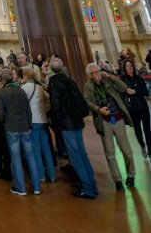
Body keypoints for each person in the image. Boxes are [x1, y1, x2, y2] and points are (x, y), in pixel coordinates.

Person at [48, 58, 98, 199]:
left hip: (66, 123)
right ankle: (93, 185)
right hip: (76, 121)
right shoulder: (70, 80)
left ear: (51, 70)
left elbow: (56, 105)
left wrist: (57, 123)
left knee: (75, 156)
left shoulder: (54, 83)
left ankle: (87, 188)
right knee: (82, 153)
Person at [83, 63, 135, 191]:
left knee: (127, 151)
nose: (98, 74)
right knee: (110, 153)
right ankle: (117, 180)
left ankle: (131, 175)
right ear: (90, 75)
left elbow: (123, 87)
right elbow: (87, 102)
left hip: (118, 120)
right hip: (104, 122)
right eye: (95, 72)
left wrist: (110, 76)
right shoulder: (88, 86)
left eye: (98, 71)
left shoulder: (108, 81)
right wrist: (98, 109)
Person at [0, 68, 40, 196]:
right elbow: (28, 110)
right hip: (25, 126)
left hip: (11, 127)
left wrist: (4, 124)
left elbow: (0, 113)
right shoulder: (21, 91)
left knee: (16, 158)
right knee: (30, 157)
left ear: (3, 80)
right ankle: (36, 187)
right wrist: (29, 124)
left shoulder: (1, 93)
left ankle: (21, 188)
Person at [21, 66, 56, 183]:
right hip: (43, 120)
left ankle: (41, 174)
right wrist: (44, 110)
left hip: (32, 121)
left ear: (25, 76)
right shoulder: (39, 88)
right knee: (46, 148)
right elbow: (49, 99)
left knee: (35, 149)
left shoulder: (24, 88)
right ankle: (52, 174)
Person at [120, 58, 151, 158]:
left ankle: (150, 150)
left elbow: (145, 91)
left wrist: (135, 91)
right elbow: (122, 93)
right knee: (138, 130)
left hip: (143, 107)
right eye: (127, 66)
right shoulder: (122, 79)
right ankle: (142, 145)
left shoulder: (139, 78)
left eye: (131, 65)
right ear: (124, 67)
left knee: (147, 130)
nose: (130, 67)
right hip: (132, 109)